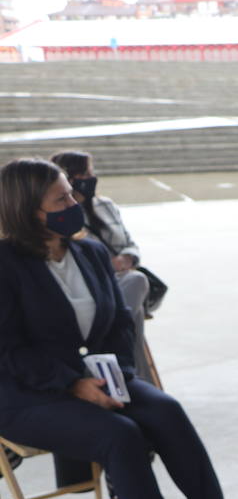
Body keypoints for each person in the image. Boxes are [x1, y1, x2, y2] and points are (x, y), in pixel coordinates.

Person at [0, 158, 238, 499]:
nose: (75, 203)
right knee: (119, 436)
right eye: (62, 199)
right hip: (26, 393)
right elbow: (9, 351)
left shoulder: (89, 254)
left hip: (95, 378)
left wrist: (115, 374)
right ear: (28, 210)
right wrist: (73, 384)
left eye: (72, 193)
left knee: (167, 412)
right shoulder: (5, 266)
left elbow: (116, 328)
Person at [49, 151, 155, 381]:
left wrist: (127, 258)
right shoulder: (64, 218)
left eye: (91, 172)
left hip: (121, 280)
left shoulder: (105, 205)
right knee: (128, 314)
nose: (92, 178)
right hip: (94, 287)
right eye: (86, 173)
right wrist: (107, 265)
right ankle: (132, 375)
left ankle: (121, 370)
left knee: (134, 287)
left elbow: (130, 243)